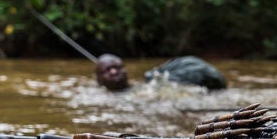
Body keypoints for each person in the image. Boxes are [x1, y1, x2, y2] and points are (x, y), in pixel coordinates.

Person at [94, 54, 227, 91]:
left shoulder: (151, 86)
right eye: (107, 70)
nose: (113, 72)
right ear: (98, 79)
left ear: (126, 70)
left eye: (117, 67)